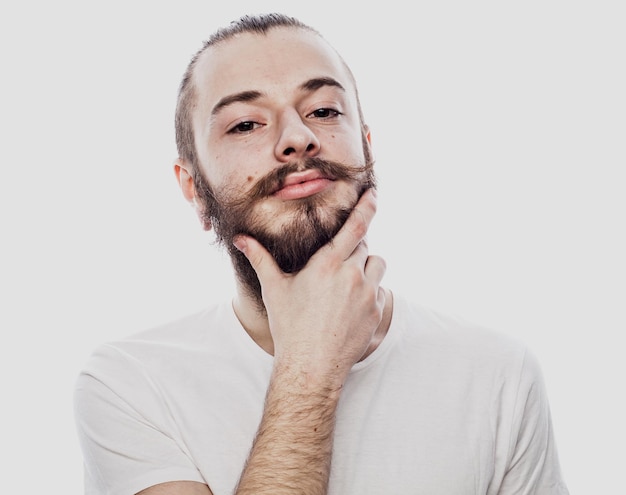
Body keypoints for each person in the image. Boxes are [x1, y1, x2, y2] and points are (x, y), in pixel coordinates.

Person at [73, 12, 569, 495]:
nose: (297, 138)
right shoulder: (129, 386)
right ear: (195, 189)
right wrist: (311, 367)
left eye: (324, 111)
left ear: (367, 151)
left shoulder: (499, 373)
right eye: (246, 124)